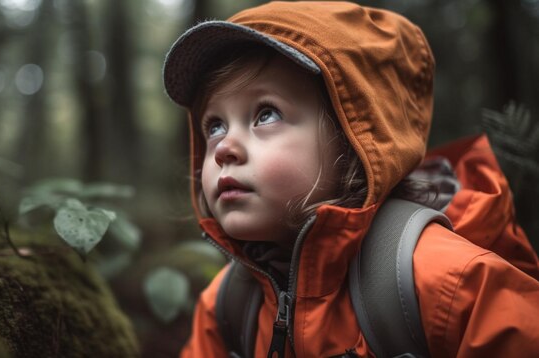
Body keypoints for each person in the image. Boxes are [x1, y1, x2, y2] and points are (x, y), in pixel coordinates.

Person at [162, 2, 539, 357]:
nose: (225, 147)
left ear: (353, 141)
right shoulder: (228, 305)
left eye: (265, 114)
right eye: (215, 125)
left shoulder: (446, 281)